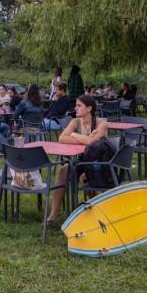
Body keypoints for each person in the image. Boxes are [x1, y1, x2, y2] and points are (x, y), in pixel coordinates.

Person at [47, 94, 108, 222]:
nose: (75, 108)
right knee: (63, 171)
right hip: (82, 160)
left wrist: (75, 136)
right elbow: (62, 138)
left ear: (89, 108)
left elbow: (93, 143)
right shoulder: (75, 122)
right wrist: (80, 137)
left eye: (79, 106)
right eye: (76, 105)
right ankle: (53, 215)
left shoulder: (102, 123)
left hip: (100, 163)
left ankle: (94, 207)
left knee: (83, 176)